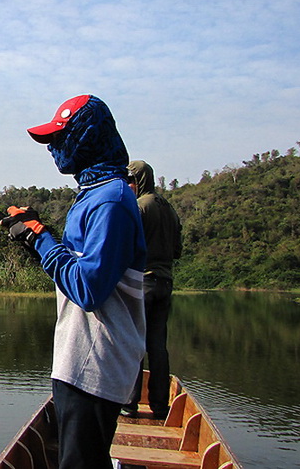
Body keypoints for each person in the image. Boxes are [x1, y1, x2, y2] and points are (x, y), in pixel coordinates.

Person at [0, 94, 147, 469]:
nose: (53, 148)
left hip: (94, 364)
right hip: (80, 359)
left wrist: (41, 237)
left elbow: (88, 289)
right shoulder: (94, 195)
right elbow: (76, 266)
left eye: (60, 138)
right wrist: (35, 236)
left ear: (87, 137)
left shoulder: (110, 201)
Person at [121, 160, 183, 420]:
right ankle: (160, 406)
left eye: (129, 181)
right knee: (158, 346)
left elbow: (127, 246)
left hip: (143, 282)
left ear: (137, 180)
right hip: (165, 283)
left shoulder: (139, 207)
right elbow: (177, 251)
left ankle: (129, 403)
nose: (128, 186)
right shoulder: (169, 209)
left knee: (134, 342)